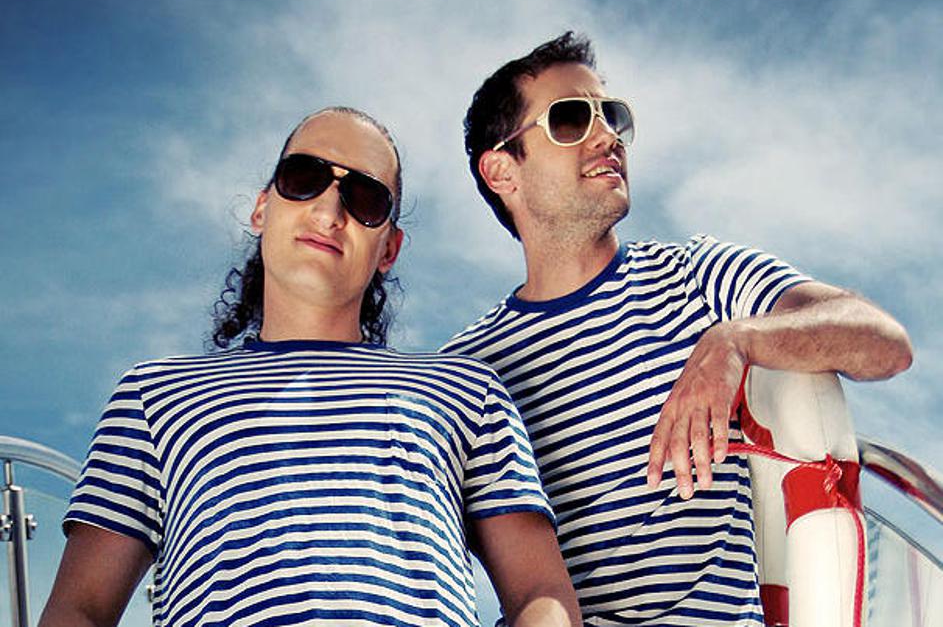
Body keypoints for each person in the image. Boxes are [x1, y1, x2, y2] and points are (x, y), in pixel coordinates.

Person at [40, 107, 582, 627]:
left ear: (389, 249)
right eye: (303, 178)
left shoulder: (468, 391)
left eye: (365, 198)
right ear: (262, 208)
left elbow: (540, 592)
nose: (328, 213)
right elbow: (79, 610)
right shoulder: (152, 397)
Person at [440, 33, 913, 626]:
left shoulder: (698, 276)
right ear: (502, 171)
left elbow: (881, 342)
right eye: (570, 119)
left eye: (611, 116)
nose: (607, 136)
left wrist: (735, 341)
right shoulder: (468, 370)